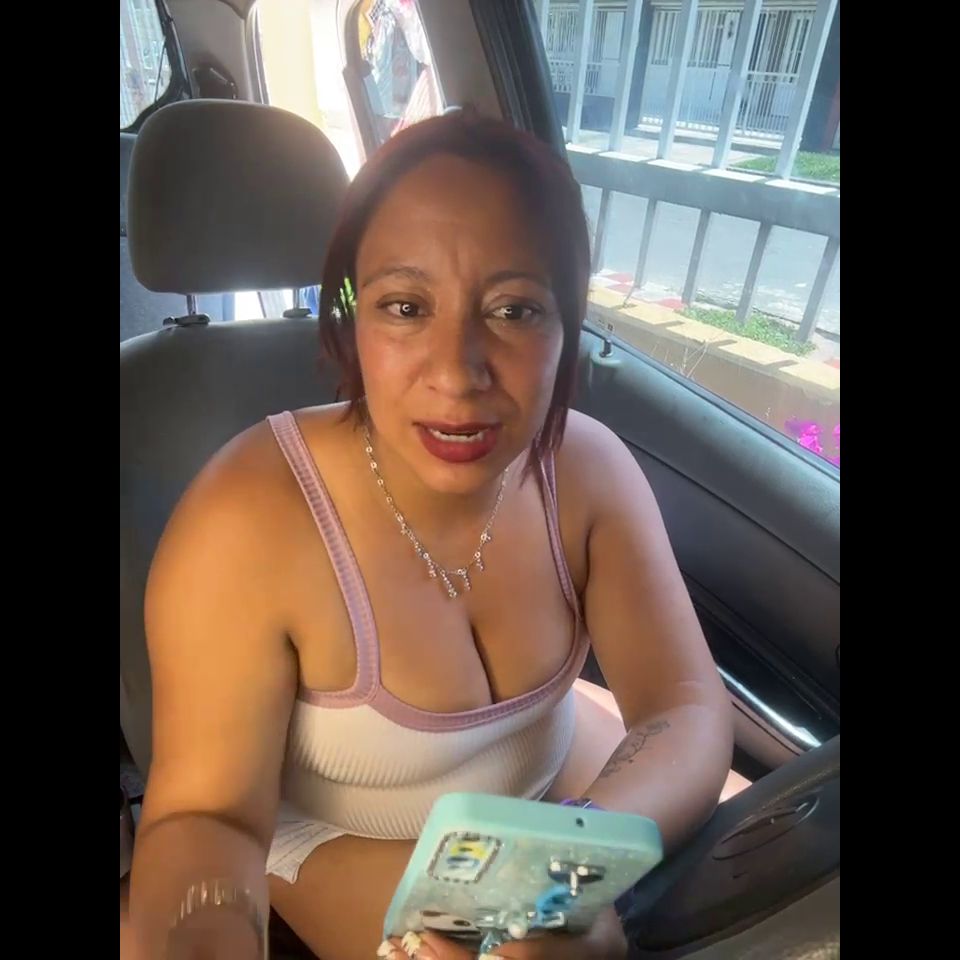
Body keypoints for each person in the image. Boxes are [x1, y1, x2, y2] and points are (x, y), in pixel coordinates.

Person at [124, 109, 734, 960]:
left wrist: (558, 861)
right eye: (405, 307)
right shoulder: (248, 516)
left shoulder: (588, 471)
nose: (456, 372)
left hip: (551, 797)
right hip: (333, 841)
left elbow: (685, 705)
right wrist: (206, 925)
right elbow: (205, 818)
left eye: (514, 310)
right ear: (351, 317)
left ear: (568, 325)